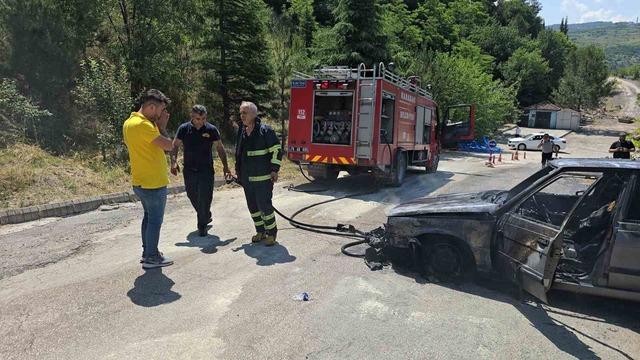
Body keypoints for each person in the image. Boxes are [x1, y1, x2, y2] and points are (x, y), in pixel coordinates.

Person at [123, 89, 175, 269]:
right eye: (160, 110)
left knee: (148, 217)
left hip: (141, 181)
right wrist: (163, 126)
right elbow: (169, 146)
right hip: (153, 183)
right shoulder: (143, 125)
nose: (161, 114)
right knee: (154, 220)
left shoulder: (129, 122)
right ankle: (152, 256)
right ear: (151, 107)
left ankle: (148, 252)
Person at [170, 105, 231, 236]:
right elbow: (175, 146)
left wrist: (226, 167)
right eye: (198, 118)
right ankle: (205, 214)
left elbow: (220, 148)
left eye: (203, 118)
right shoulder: (184, 129)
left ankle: (201, 225)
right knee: (192, 195)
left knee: (205, 197)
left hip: (206, 169)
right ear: (192, 117)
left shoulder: (211, 129)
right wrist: (173, 162)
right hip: (189, 169)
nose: (201, 121)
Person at [234, 101, 282, 246]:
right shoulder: (242, 130)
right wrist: (238, 173)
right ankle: (260, 231)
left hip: (263, 178)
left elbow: (276, 150)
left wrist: (274, 169)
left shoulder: (265, 131)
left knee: (265, 207)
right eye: (241, 113)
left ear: (254, 114)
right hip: (247, 179)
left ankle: (271, 233)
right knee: (253, 207)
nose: (242, 116)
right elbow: (239, 153)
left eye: (245, 113)